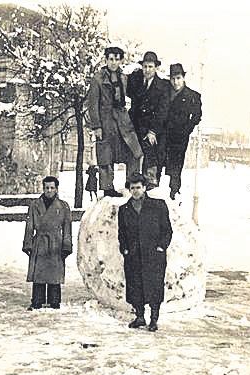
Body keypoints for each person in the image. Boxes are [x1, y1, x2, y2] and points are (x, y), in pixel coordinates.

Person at [118, 173, 173, 332]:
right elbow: (122, 232)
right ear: (129, 189)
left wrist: (161, 247)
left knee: (154, 286)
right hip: (134, 255)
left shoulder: (158, 205)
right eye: (132, 188)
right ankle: (140, 316)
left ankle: (154, 319)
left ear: (144, 188)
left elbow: (167, 230)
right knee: (136, 286)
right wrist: (125, 249)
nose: (135, 191)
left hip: (153, 255)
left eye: (138, 187)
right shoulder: (124, 209)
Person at [87, 46, 143, 197]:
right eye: (111, 59)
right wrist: (97, 126)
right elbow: (92, 104)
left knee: (134, 152)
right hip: (106, 122)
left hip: (123, 123)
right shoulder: (98, 78)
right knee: (106, 156)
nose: (113, 62)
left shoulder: (124, 78)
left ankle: (131, 183)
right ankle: (107, 188)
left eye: (117, 59)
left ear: (121, 61)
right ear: (106, 60)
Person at [22, 176, 72, 310]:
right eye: (46, 188)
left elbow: (67, 228)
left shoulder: (63, 206)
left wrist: (66, 246)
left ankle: (54, 301)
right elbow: (29, 225)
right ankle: (37, 300)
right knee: (39, 273)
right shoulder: (35, 205)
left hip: (56, 243)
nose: (49, 190)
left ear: (56, 189)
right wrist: (28, 244)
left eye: (52, 188)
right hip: (40, 242)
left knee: (54, 274)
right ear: (43, 188)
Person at [127, 51, 170, 189]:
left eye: (150, 67)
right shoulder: (137, 81)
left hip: (152, 128)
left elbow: (162, 111)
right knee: (133, 153)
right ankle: (132, 182)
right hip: (136, 125)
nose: (147, 70)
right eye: (145, 66)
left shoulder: (163, 86)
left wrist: (153, 131)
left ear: (156, 67)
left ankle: (151, 180)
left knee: (151, 152)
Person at [165, 63, 202, 199]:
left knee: (176, 164)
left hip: (180, 136)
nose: (175, 82)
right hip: (163, 134)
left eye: (178, 78)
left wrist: (186, 129)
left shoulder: (193, 96)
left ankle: (174, 192)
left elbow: (197, 116)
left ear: (183, 78)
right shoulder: (165, 93)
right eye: (173, 79)